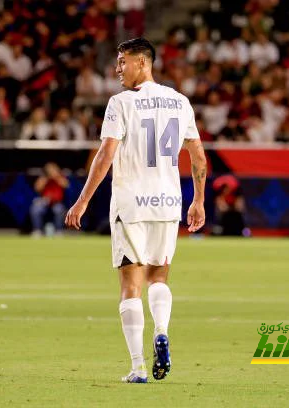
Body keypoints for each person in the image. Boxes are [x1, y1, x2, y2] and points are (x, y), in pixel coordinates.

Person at [64, 38, 207, 383]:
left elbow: (106, 154)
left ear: (142, 62)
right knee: (159, 276)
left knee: (131, 285)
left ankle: (138, 366)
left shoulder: (120, 103)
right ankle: (161, 330)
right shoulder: (180, 101)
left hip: (131, 204)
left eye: (122, 62)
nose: (117, 69)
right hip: (169, 203)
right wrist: (198, 199)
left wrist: (83, 200)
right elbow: (199, 157)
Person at [30, 162, 69, 237]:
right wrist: (46, 178)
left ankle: (58, 231)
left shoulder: (60, 177)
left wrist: (56, 177)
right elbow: (37, 188)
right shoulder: (43, 178)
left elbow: (66, 185)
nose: (51, 172)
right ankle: (37, 230)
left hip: (57, 202)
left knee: (59, 210)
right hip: (45, 202)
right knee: (36, 209)